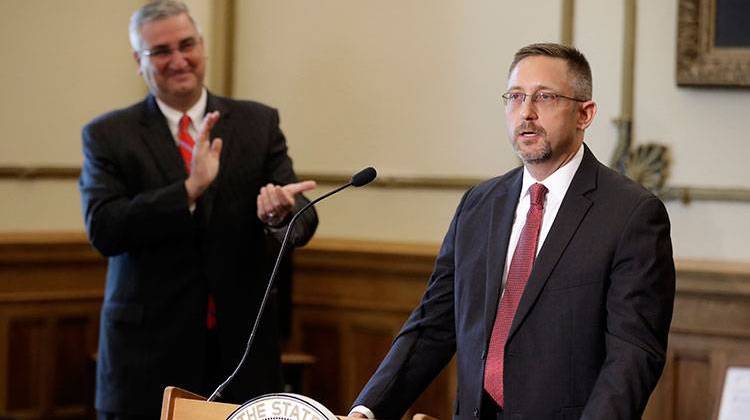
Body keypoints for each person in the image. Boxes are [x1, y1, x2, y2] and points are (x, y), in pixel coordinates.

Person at [350, 43, 675, 420]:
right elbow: (433, 324)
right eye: (516, 97)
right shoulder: (479, 204)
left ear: (584, 114)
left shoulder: (631, 214)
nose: (527, 113)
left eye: (545, 97)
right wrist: (367, 410)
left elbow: (632, 357)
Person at [78, 1, 318, 418]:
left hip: (241, 353)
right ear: (140, 61)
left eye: (186, 44)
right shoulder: (108, 135)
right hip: (147, 359)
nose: (178, 59)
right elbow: (104, 228)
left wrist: (279, 214)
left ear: (202, 47)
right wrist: (188, 190)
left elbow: (301, 213)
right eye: (162, 51)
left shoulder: (257, 123)